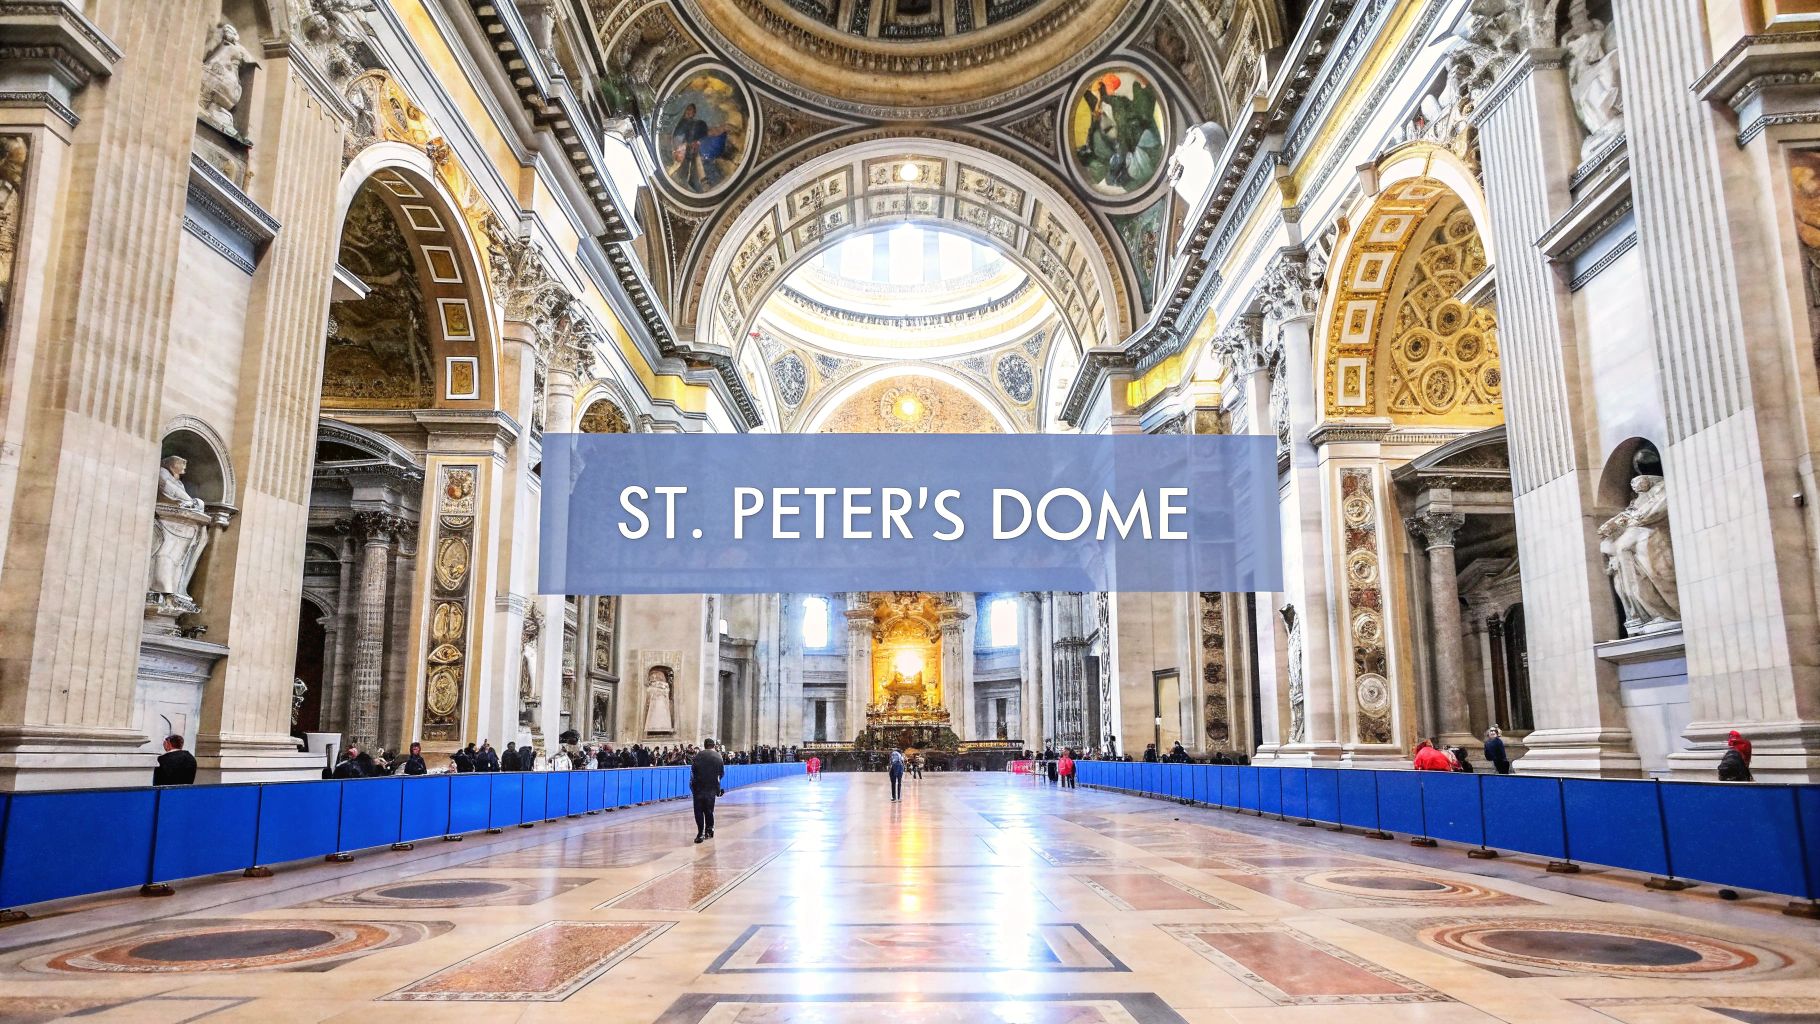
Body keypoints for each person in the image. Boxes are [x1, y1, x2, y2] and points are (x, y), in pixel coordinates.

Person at [690, 738, 725, 844]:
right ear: (713, 745)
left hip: (699, 789)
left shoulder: (697, 756)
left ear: (705, 745)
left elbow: (693, 772)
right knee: (709, 811)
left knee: (699, 812)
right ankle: (709, 830)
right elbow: (721, 774)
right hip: (711, 789)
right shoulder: (718, 756)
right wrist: (717, 788)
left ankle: (700, 834)